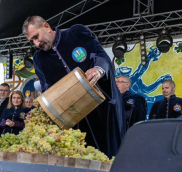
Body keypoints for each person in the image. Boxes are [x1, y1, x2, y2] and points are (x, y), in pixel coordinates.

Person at [22, 16, 125, 158]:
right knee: (85, 157)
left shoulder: (76, 33)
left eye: (36, 37)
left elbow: (101, 56)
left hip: (104, 109)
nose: (36, 43)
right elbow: (47, 91)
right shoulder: (39, 59)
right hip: (76, 120)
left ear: (46, 26)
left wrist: (98, 69)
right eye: (32, 41)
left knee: (112, 154)